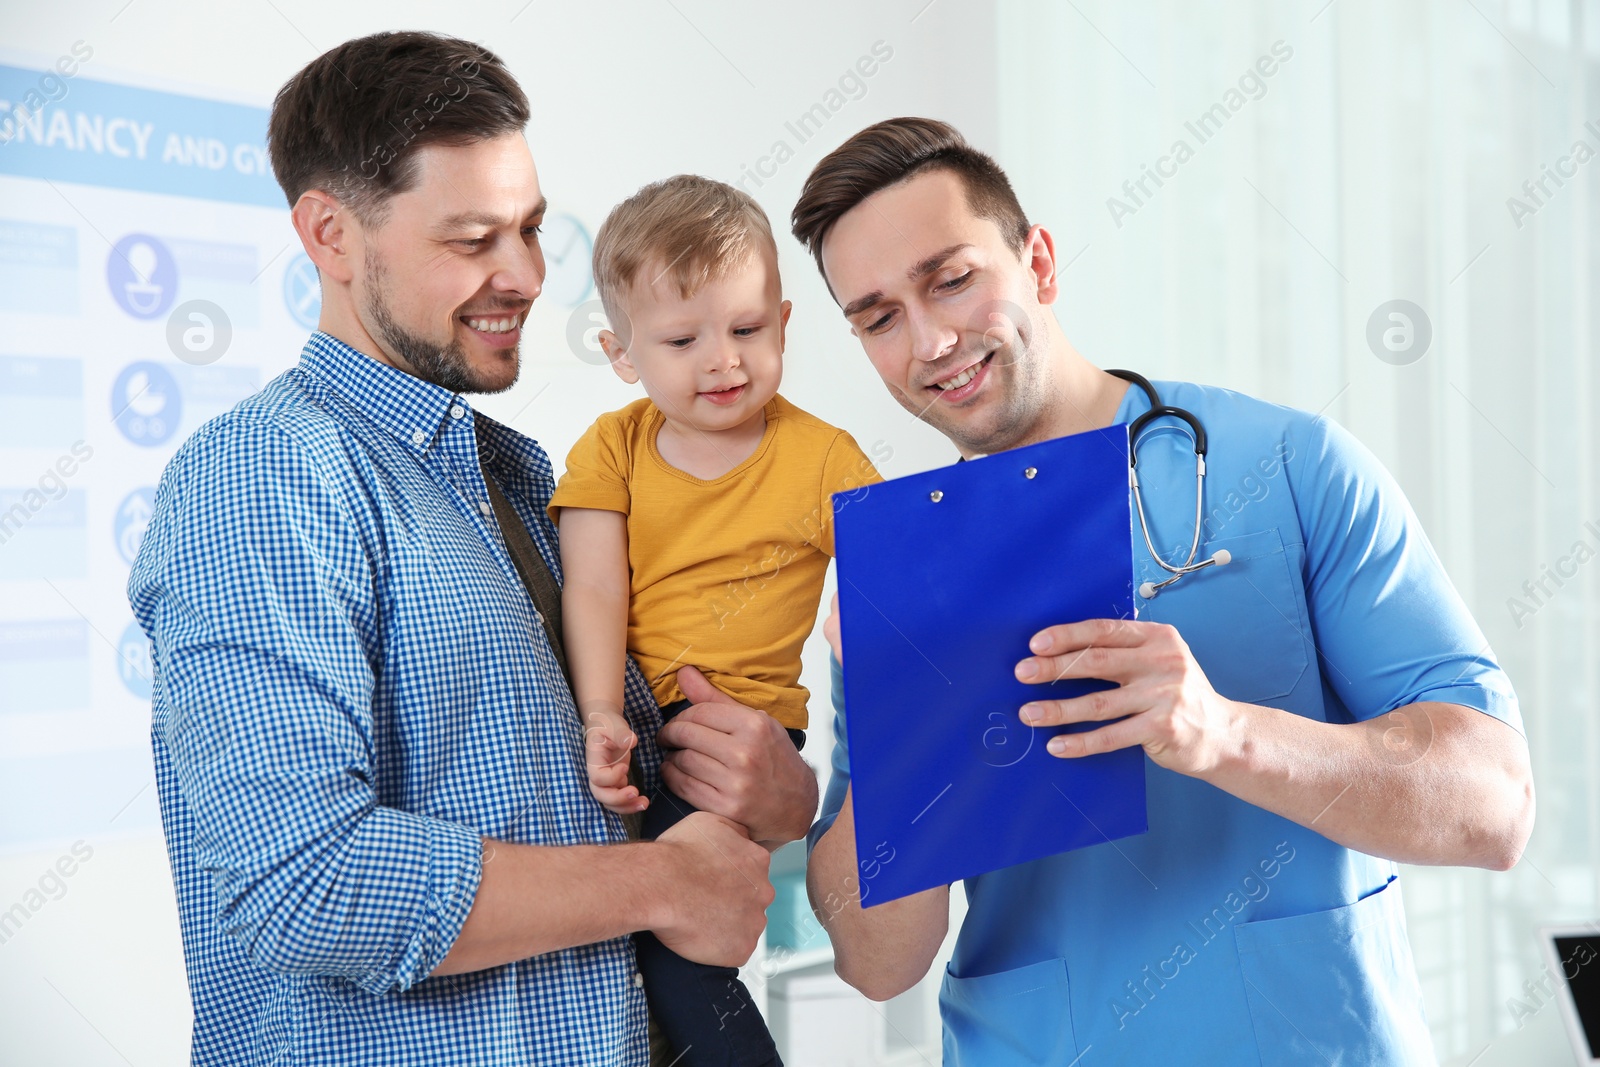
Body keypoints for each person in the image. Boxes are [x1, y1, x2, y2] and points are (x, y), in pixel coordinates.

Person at [127, 32, 815, 1066]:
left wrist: (776, 796)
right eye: (472, 239)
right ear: (331, 235)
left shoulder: (527, 476)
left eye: (531, 229)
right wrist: (661, 881)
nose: (526, 274)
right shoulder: (262, 477)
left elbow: (650, 805)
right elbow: (300, 880)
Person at [790, 117, 1536, 1064]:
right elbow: (876, 959)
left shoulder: (1286, 466)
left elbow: (1493, 805)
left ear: (1040, 264)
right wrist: (907, 721)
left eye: (952, 278)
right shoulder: (898, 573)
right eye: (879, 317)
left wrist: (1223, 734)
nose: (931, 339)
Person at [549, 174, 880, 1066]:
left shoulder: (822, 459)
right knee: (610, 939)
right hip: (630, 716)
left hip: (740, 733)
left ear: (781, 321)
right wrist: (601, 715)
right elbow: (593, 589)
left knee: (677, 946)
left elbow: (905, 570)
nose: (723, 360)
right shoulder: (611, 447)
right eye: (683, 339)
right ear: (623, 354)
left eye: (745, 329)